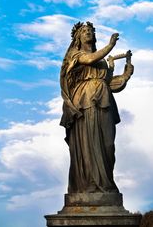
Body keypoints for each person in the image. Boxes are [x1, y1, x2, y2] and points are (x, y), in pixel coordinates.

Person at [60, 21, 133, 194]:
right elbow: (90, 58)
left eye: (91, 30)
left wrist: (127, 72)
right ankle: (90, 184)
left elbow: (110, 84)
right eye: (85, 31)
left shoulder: (101, 64)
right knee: (89, 144)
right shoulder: (75, 54)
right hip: (85, 102)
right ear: (78, 37)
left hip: (105, 101)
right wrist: (111, 45)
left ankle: (106, 182)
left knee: (107, 145)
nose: (88, 33)